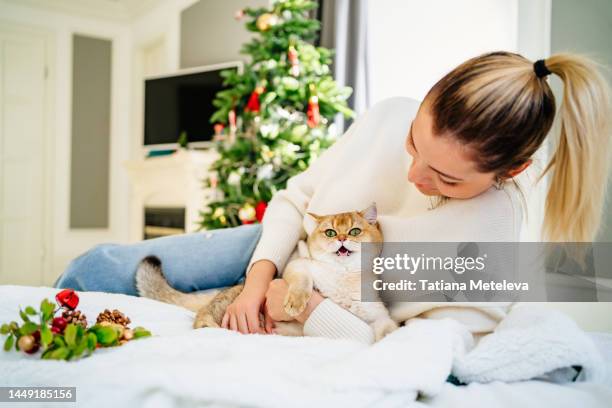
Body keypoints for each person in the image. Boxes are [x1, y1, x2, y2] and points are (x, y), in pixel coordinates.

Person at [56, 52, 611, 344]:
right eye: (413, 144)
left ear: (510, 170)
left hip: (333, 293)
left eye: (446, 180)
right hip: (282, 244)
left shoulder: (490, 233)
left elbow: (425, 343)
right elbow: (296, 198)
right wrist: (257, 285)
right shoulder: (390, 111)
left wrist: (310, 310)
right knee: (97, 266)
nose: (415, 174)